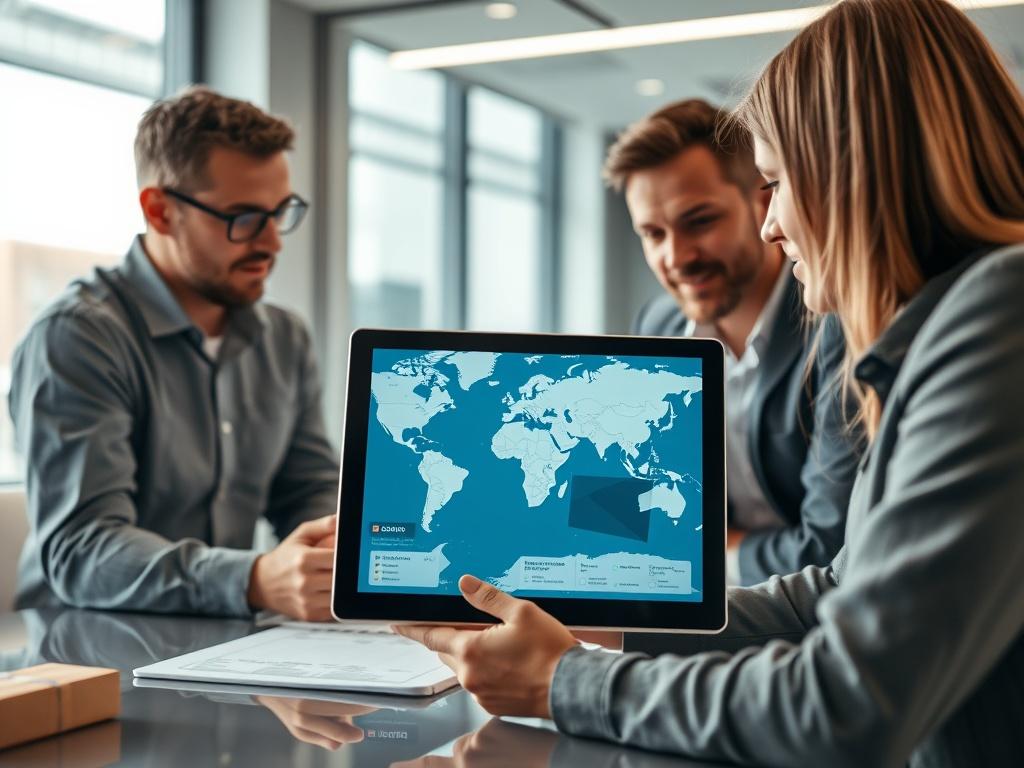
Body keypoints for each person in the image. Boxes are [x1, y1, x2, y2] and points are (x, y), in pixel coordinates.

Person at [395, 0, 1024, 764]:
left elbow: (847, 705)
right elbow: (834, 585)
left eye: (776, 183)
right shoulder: (947, 323)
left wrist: (567, 680)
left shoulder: (998, 317)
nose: (770, 226)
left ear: (853, 175)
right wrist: (605, 621)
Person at [9, 87, 340, 620]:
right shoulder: (78, 337)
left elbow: (309, 490)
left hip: (228, 645)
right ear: (160, 211)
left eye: (280, 213)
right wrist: (254, 579)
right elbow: (81, 549)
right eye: (244, 217)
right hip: (85, 654)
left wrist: (338, 552)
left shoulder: (284, 338)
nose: (272, 242)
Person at [606, 98, 860, 586]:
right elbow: (634, 514)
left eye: (699, 221)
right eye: (653, 233)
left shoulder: (834, 320)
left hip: (808, 619)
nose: (676, 257)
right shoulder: (657, 324)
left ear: (762, 203)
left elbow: (828, 548)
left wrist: (695, 552)